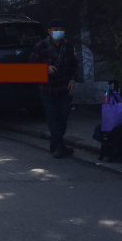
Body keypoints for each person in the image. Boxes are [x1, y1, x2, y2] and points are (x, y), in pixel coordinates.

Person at [30, 18, 79, 158]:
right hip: (47, 88)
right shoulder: (41, 46)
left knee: (63, 115)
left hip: (65, 86)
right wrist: (45, 69)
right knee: (52, 117)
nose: (58, 32)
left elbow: (75, 65)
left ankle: (56, 142)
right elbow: (31, 66)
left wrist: (73, 80)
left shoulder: (69, 46)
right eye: (55, 30)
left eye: (61, 30)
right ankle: (59, 146)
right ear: (49, 31)